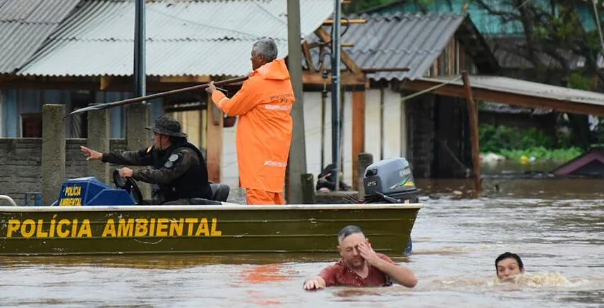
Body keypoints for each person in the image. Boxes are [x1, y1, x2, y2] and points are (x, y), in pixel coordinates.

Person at [205, 38, 295, 205]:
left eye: (252, 56)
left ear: (260, 57)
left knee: (259, 204)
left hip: (258, 154)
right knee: (275, 197)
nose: (250, 59)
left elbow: (231, 108)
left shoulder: (257, 83)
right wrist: (253, 78)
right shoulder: (284, 82)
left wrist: (215, 93)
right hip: (276, 154)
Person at [80, 115, 214, 205]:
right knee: (142, 206)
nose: (153, 138)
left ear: (165, 137)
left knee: (157, 212)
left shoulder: (184, 154)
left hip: (192, 202)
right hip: (173, 199)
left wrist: (133, 173)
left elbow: (163, 175)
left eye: (155, 135)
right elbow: (136, 157)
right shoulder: (161, 151)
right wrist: (103, 156)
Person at [303, 225, 418, 290]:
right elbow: (319, 279)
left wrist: (377, 262)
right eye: (349, 249)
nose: (355, 253)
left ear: (367, 244)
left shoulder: (379, 260)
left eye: (359, 247)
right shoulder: (337, 271)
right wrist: (312, 282)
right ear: (340, 251)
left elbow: (411, 281)